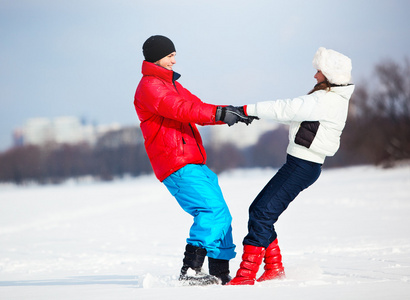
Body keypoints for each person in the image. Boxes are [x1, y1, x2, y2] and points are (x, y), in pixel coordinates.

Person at [227, 47, 355, 285]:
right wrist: (256, 115)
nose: (315, 76)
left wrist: (246, 109)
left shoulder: (324, 99)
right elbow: (292, 115)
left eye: (319, 71)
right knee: (259, 210)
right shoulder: (329, 99)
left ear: (330, 75)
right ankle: (273, 267)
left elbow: (285, 107)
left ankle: (246, 275)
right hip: (302, 164)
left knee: (262, 212)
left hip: (303, 165)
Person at [134, 35, 255, 285]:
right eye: (170, 56)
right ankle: (190, 271)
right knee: (210, 210)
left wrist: (232, 111)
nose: (174, 61)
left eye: (174, 55)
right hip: (176, 163)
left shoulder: (171, 85)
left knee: (222, 214)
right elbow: (182, 109)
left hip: (193, 161)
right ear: (157, 56)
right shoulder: (150, 87)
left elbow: (198, 106)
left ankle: (220, 273)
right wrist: (221, 113)